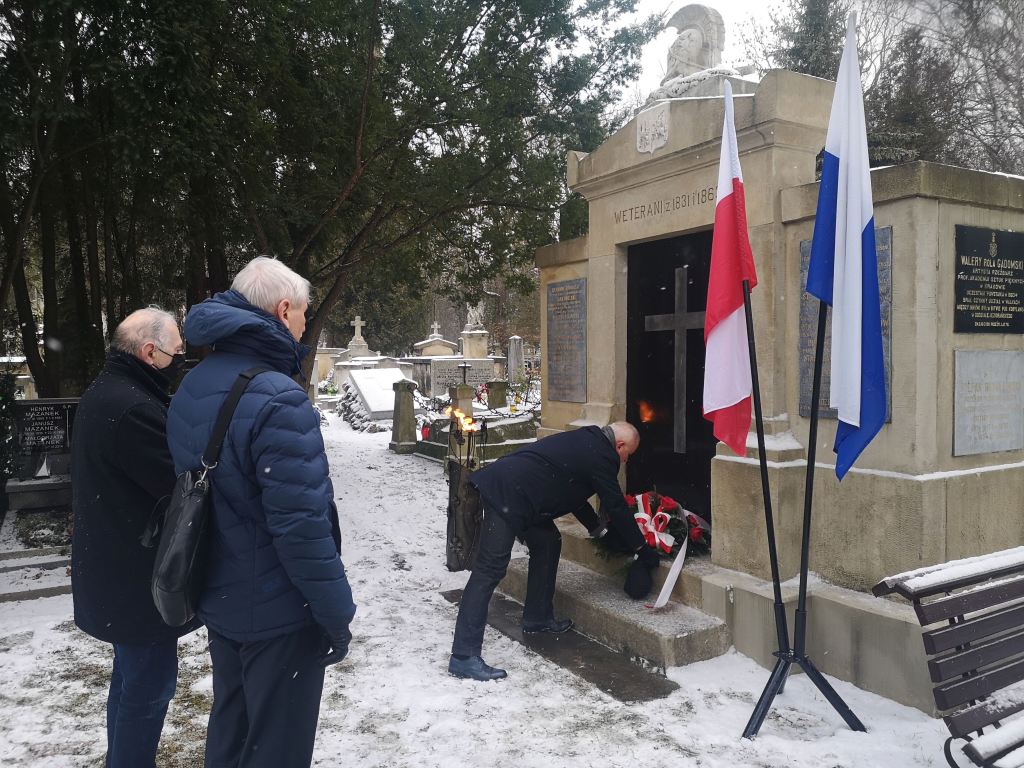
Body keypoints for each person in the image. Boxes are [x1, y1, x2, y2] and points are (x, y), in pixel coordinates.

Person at [166, 256, 356, 768]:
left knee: (232, 728)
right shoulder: (277, 397)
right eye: (303, 315)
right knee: (277, 747)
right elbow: (300, 526)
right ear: (283, 309)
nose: (304, 326)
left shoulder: (195, 382)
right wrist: (336, 614)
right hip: (277, 611)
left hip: (222, 594)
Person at [71, 307, 191, 768]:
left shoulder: (106, 391)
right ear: (149, 352)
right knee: (148, 688)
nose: (179, 360)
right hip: (135, 577)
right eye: (176, 353)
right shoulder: (133, 408)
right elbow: (176, 488)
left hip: (115, 565)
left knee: (129, 681)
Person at [449, 422, 659, 681]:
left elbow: (573, 489)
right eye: (628, 454)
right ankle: (463, 657)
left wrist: (599, 530)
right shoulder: (602, 455)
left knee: (548, 541)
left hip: (519, 492)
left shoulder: (588, 441)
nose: (626, 460)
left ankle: (537, 618)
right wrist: (641, 547)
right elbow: (615, 505)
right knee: (489, 571)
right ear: (620, 446)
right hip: (507, 494)